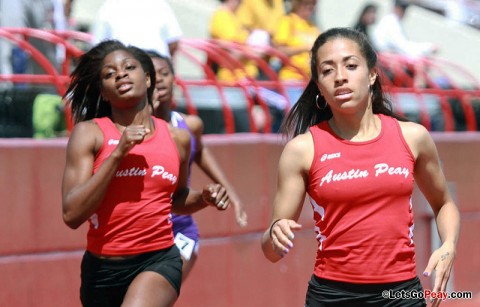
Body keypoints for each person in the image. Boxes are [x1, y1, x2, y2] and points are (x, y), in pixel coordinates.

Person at [261, 28, 460, 306]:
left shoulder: (412, 136)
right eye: (327, 71)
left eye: (351, 66)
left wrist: (448, 245)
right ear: (318, 86)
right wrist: (275, 234)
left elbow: (444, 204)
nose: (340, 76)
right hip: (332, 296)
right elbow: (271, 250)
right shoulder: (302, 150)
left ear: (371, 74)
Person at [61, 40, 229, 306]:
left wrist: (203, 198)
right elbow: (71, 214)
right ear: (103, 93)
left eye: (129, 67)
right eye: (109, 73)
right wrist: (117, 154)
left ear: (148, 79)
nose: (121, 74)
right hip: (102, 270)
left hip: (159, 259)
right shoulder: (90, 133)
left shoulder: (177, 139)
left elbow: (176, 199)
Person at [146, 50, 248, 281]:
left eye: (164, 73)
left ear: (174, 78)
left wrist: (231, 194)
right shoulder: (131, 131)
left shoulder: (189, 125)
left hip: (180, 230)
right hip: (142, 232)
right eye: (152, 75)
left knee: (159, 292)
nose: (159, 79)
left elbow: (199, 151)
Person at [91, 0, 182, 58]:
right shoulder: (108, 6)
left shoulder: (107, 6)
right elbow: (173, 42)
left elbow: (98, 47)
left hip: (128, 66)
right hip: (125, 66)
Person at [272, 0, 321, 81]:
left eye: (313, 3)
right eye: (307, 3)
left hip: (309, 80)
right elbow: (279, 51)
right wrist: (304, 48)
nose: (311, 6)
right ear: (297, 3)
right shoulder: (287, 21)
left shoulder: (313, 26)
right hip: (291, 78)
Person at [372, 0, 438, 59]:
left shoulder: (392, 21)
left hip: (386, 56)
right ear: (395, 8)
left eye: (404, 9)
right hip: (383, 59)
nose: (403, 12)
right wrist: (428, 47)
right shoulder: (391, 21)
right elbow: (403, 47)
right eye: (402, 8)